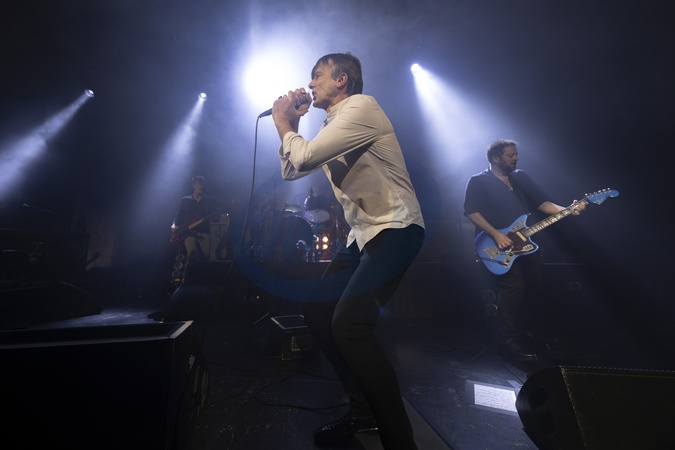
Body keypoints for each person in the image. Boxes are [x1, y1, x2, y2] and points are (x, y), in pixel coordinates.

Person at [270, 53, 425, 449]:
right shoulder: (331, 124)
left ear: (342, 80)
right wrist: (293, 125)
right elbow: (291, 169)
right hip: (363, 235)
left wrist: (283, 122)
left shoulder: (361, 107)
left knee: (351, 326)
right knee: (318, 312)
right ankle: (363, 411)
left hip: (396, 227)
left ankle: (400, 442)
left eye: (317, 75)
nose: (310, 83)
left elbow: (302, 155)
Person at [463, 139, 585, 362]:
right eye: (510, 155)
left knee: (534, 286)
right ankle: (506, 338)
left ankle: (530, 333)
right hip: (496, 243)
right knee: (514, 286)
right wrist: (496, 234)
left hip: (526, 243)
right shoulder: (479, 181)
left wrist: (568, 209)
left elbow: (541, 203)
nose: (516, 158)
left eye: (516, 154)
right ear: (495, 158)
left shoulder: (520, 177)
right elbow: (471, 212)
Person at [170, 175, 216, 280]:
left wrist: (216, 215)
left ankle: (202, 282)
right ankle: (187, 281)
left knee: (205, 259)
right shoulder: (185, 200)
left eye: (202, 184)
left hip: (204, 232)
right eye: (198, 184)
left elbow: (214, 218)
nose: (201, 186)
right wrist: (173, 225)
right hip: (189, 233)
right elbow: (178, 216)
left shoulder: (208, 200)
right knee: (192, 254)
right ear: (193, 185)